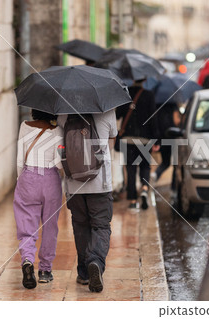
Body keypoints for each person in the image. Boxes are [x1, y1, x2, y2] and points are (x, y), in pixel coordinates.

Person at [57, 110, 117, 293]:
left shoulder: (63, 114)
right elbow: (112, 140)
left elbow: (60, 147)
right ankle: (95, 261)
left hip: (74, 184)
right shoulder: (107, 112)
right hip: (100, 183)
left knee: (80, 226)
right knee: (101, 226)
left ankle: (84, 273)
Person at [13, 109, 64, 289]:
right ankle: (44, 271)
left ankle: (27, 260)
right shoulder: (57, 130)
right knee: (50, 226)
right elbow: (58, 162)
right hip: (50, 180)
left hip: (28, 177)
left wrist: (22, 180)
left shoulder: (24, 126)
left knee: (27, 226)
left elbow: (20, 161)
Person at [116, 79, 161, 210]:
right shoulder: (149, 95)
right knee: (145, 166)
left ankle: (133, 200)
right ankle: (145, 189)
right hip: (145, 138)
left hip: (128, 138)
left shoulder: (125, 94)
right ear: (145, 80)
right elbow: (153, 118)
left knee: (130, 169)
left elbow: (118, 115)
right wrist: (156, 139)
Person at [153, 102, 181, 184]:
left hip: (161, 136)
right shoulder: (173, 105)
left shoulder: (157, 104)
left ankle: (155, 175)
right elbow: (176, 120)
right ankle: (173, 187)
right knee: (176, 164)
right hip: (173, 135)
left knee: (165, 162)